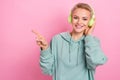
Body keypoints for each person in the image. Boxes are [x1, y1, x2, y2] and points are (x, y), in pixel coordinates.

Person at [32, 3, 107, 80]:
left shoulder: (92, 41)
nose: (79, 22)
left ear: (90, 22)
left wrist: (89, 36)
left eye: (84, 19)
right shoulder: (57, 40)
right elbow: (47, 71)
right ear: (70, 19)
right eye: (76, 17)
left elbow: (96, 61)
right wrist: (45, 48)